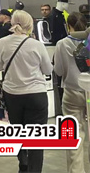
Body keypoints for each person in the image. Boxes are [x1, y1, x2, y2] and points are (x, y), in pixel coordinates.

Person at [0, 10, 52, 173]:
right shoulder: (36, 44)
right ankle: (34, 170)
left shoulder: (2, 42)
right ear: (30, 25)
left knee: (18, 131)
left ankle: (23, 163)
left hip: (12, 94)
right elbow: (48, 70)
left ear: (12, 23)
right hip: (36, 94)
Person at [53, 12, 89, 173]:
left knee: (74, 137)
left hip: (72, 93)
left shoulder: (62, 44)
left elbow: (59, 70)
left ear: (68, 25)